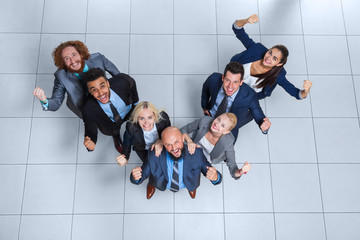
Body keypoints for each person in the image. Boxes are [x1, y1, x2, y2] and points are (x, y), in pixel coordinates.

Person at [231, 14, 312, 100]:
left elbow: (296, 93)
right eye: (270, 52)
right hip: (232, 79)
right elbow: (237, 30)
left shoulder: (279, 75)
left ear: (279, 64)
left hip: (246, 96)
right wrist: (246, 20)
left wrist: (305, 91)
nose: (269, 58)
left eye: (275, 58)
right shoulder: (257, 49)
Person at [33, 40, 120, 118]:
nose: (73, 61)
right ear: (63, 63)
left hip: (107, 97)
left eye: (74, 55)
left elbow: (119, 77)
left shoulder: (98, 59)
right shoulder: (61, 76)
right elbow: (56, 103)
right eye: (67, 58)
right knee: (105, 127)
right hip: (87, 109)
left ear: (81, 55)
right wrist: (44, 100)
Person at [130, 127, 222, 200]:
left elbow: (210, 170)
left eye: (176, 142)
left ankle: (191, 187)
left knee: (192, 184)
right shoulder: (154, 154)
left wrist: (216, 177)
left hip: (189, 181)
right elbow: (142, 174)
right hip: (161, 182)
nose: (174, 148)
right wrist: (135, 177)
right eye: (168, 144)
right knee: (153, 179)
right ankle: (152, 185)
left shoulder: (196, 152)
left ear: (183, 138)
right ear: (162, 144)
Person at [201, 61, 271, 141]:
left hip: (230, 126)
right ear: (223, 78)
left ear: (241, 82)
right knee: (200, 137)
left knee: (223, 149)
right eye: (228, 80)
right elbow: (205, 88)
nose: (230, 86)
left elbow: (259, 115)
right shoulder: (213, 79)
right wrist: (204, 106)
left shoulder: (249, 95)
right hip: (211, 115)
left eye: (235, 82)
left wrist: (265, 127)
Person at [81, 68, 138, 153]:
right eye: (94, 90)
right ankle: (116, 136)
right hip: (111, 123)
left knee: (136, 122)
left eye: (102, 86)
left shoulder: (123, 80)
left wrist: (135, 103)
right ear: (90, 92)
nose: (100, 93)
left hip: (128, 110)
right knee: (112, 131)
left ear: (108, 83)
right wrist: (90, 144)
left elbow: (132, 84)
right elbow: (90, 130)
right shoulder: (88, 108)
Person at [180, 113, 251, 180]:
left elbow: (233, 169)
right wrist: (189, 141)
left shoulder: (228, 142)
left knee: (192, 174)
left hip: (206, 159)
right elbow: (182, 130)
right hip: (193, 148)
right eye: (219, 119)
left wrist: (241, 171)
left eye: (223, 126)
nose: (217, 124)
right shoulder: (205, 121)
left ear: (226, 132)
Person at [116, 101, 171, 166]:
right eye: (142, 118)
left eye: (149, 117)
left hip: (161, 144)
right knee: (151, 166)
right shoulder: (131, 127)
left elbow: (169, 132)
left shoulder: (163, 118)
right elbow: (127, 142)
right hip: (143, 149)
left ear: (154, 116)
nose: (146, 122)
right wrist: (125, 157)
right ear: (137, 119)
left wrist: (162, 141)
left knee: (167, 162)